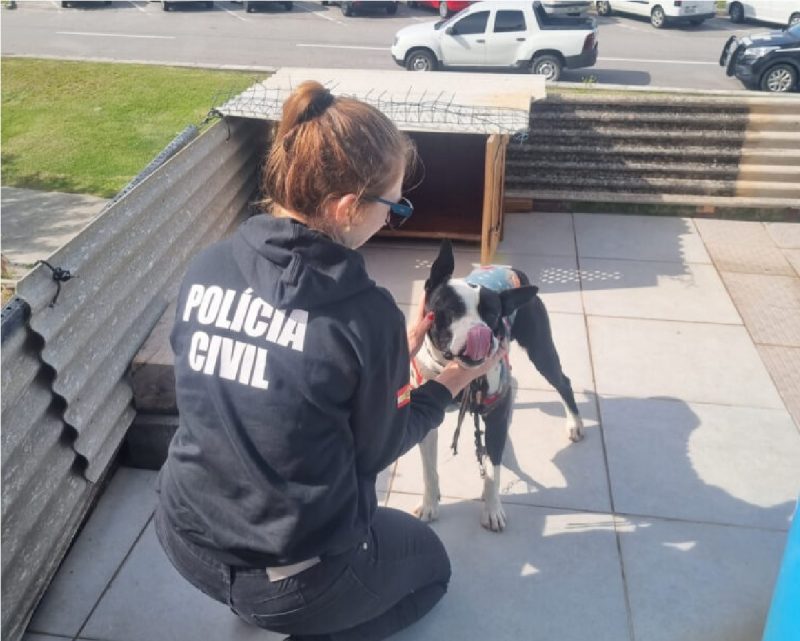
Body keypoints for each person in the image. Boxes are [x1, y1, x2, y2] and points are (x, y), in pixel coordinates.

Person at [155, 80, 506, 641]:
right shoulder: (364, 316)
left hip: (184, 535)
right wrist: (452, 382)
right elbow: (379, 448)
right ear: (347, 208)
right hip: (289, 577)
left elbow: (275, 375)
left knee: (390, 535)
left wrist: (395, 354)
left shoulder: (209, 265)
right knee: (431, 570)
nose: (393, 219)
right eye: (395, 205)